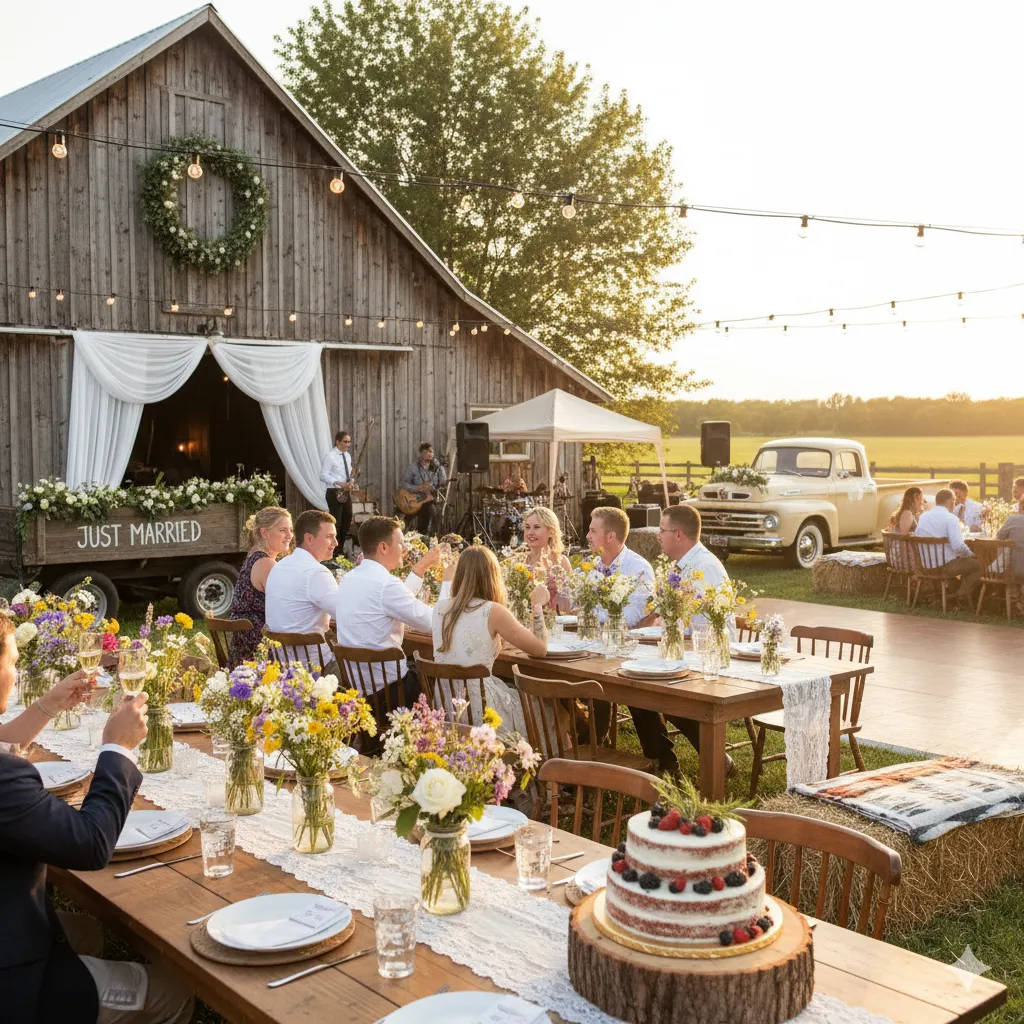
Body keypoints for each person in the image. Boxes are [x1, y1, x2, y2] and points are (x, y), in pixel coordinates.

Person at [0, 615, 193, 1024]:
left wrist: (48, 705)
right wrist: (118, 749)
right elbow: (90, 843)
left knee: (86, 931)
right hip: (13, 984)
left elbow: (4, 743)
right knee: (174, 993)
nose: (15, 673)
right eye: (13, 662)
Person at [629, 504, 738, 776]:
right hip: (685, 651)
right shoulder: (683, 565)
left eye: (662, 530)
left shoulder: (704, 567)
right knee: (634, 685)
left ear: (678, 535)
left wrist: (665, 632)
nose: (658, 536)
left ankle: (714, 757)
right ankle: (663, 760)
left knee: (661, 693)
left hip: (711, 656)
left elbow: (703, 630)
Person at [334, 516, 448, 726]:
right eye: (401, 543)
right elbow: (434, 624)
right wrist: (448, 583)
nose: (405, 549)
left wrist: (421, 567)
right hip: (391, 693)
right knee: (442, 675)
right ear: (384, 547)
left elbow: (395, 600)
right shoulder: (386, 584)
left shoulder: (349, 579)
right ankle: (437, 738)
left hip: (358, 690)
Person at [431, 546, 549, 733]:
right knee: (552, 709)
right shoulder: (492, 610)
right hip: (483, 712)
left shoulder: (440, 609)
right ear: (492, 577)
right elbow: (540, 649)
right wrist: (538, 606)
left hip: (447, 708)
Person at [265, 509, 339, 669]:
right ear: (309, 539)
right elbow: (347, 614)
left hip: (282, 667)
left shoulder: (279, 566)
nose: (335, 543)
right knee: (371, 672)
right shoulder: (316, 572)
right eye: (329, 536)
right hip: (317, 668)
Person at [229, 506, 293, 662]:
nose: (290, 536)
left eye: (290, 530)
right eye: (283, 530)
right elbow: (288, 606)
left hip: (244, 641)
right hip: (258, 647)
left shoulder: (255, 557)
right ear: (265, 533)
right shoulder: (266, 563)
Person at [585, 507, 654, 628]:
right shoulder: (591, 565)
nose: (587, 536)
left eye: (593, 531)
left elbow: (633, 616)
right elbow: (577, 607)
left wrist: (592, 616)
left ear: (610, 537)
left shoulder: (640, 569)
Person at [913, 487, 982, 601]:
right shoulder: (951, 518)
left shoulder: (923, 517)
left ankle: (952, 593)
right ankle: (959, 596)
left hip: (925, 565)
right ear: (951, 502)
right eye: (954, 502)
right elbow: (958, 546)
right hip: (944, 567)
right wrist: (971, 555)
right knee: (978, 565)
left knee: (962, 562)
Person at [400, 442, 447, 536]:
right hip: (414, 500)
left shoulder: (437, 468)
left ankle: (431, 537)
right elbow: (403, 484)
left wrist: (441, 469)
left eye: (431, 452)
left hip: (429, 500)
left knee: (433, 513)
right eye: (427, 452)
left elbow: (443, 483)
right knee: (406, 522)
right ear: (421, 454)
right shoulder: (412, 468)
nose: (430, 454)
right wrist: (418, 488)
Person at [320, 430, 355, 554]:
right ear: (338, 442)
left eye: (349, 442)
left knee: (347, 520)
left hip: (345, 492)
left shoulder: (347, 456)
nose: (348, 444)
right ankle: (333, 551)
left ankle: (340, 550)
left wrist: (351, 481)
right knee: (336, 522)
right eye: (345, 442)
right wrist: (339, 483)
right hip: (334, 491)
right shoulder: (330, 456)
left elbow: (348, 473)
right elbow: (323, 475)